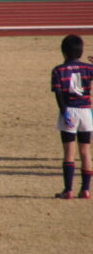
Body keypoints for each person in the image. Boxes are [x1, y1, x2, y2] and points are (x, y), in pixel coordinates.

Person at [51, 34, 93, 199]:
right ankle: (86, 190)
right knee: (85, 151)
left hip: (69, 110)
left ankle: (68, 190)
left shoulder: (58, 70)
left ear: (63, 52)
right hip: (86, 112)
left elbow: (58, 94)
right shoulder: (89, 68)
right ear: (81, 52)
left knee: (69, 152)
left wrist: (64, 112)